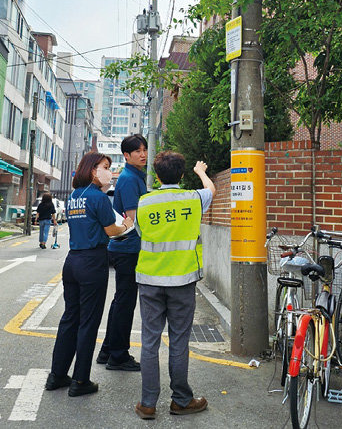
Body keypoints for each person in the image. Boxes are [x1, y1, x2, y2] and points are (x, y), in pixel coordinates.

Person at [134, 152, 215, 420]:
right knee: (179, 341)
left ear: (156, 176)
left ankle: (147, 403)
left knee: (149, 342)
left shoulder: (145, 202)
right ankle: (181, 400)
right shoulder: (193, 199)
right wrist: (201, 171)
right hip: (182, 281)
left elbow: (140, 232)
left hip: (149, 281)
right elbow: (211, 190)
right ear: (182, 175)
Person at [46, 152, 134, 397]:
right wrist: (127, 225)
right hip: (93, 261)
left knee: (70, 318)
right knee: (89, 321)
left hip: (72, 261)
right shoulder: (98, 198)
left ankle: (57, 375)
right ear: (93, 170)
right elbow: (111, 230)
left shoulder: (74, 196)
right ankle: (81, 381)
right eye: (106, 167)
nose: (109, 171)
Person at [97, 134, 148, 371]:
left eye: (144, 150)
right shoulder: (129, 178)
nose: (143, 154)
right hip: (127, 248)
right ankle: (118, 355)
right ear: (126, 155)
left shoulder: (135, 175)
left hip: (125, 248)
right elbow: (133, 218)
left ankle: (108, 349)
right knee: (125, 303)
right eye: (137, 151)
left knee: (121, 301)